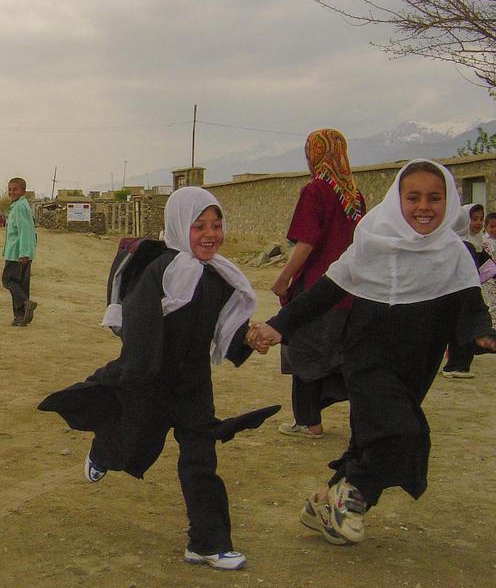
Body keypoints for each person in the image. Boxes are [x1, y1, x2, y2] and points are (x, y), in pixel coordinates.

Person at [250, 159, 496, 547]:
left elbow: (470, 306)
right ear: (397, 199)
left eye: (435, 197)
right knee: (404, 433)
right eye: (412, 197)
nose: (424, 206)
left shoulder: (453, 253)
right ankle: (355, 496)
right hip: (368, 359)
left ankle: (323, 504)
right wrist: (278, 326)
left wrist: (483, 335)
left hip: (417, 366)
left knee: (370, 440)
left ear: (449, 201)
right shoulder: (372, 243)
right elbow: (324, 292)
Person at [38, 187, 279, 571]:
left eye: (216, 225)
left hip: (194, 390)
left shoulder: (218, 276)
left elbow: (221, 327)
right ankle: (103, 451)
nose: (210, 233)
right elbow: (139, 326)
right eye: (199, 225)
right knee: (133, 443)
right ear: (180, 225)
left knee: (201, 461)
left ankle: (207, 543)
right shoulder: (161, 271)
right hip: (150, 382)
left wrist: (246, 338)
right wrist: (135, 378)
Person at [271, 128, 365, 439]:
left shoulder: (315, 191)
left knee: (304, 354)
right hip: (350, 291)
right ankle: (343, 420)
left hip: (316, 289)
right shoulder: (355, 197)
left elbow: (307, 242)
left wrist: (283, 278)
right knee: (338, 355)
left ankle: (309, 422)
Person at [441, 204, 488, 378]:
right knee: (460, 326)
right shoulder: (461, 244)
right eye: (473, 219)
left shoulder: (476, 243)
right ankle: (455, 365)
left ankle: (459, 364)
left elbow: (487, 267)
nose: (478, 223)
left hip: (467, 292)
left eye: (481, 219)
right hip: (460, 293)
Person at [2, 178, 37, 326]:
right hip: (23, 252)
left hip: (17, 253)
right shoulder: (20, 205)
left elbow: (24, 231)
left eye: (15, 189)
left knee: (8, 280)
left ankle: (25, 302)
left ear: (23, 191)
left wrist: (23, 253)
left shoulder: (19, 207)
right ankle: (20, 317)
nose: (11, 192)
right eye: (9, 189)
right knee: (21, 285)